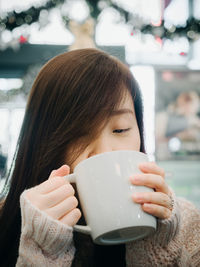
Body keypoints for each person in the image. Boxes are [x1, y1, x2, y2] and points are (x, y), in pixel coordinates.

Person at [0, 48, 199, 267]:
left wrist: (160, 247)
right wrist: (41, 252)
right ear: (43, 142)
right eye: (78, 135)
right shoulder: (6, 224)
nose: (105, 152)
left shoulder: (185, 224)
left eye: (121, 129)